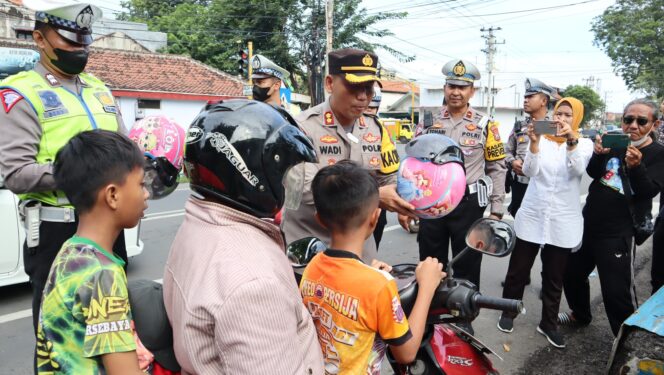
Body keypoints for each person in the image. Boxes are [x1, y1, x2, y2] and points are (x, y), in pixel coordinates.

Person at [163, 99, 324, 374]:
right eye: (283, 175)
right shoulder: (254, 284)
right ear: (252, 174)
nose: (286, 186)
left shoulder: (199, 223)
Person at [0, 2, 127, 335]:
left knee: (112, 330)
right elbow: (15, 173)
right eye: (70, 41)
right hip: (59, 231)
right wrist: (83, 172)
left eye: (84, 42)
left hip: (110, 226)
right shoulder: (21, 93)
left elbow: (124, 151)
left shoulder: (100, 89)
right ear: (40, 40)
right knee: (61, 337)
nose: (79, 50)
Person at [300, 161, 445, 373]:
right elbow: (406, 354)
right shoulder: (378, 285)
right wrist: (427, 288)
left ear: (319, 219)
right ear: (375, 218)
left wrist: (367, 271)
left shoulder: (312, 266)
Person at [281, 48, 413, 263]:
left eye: (368, 88)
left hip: (359, 254)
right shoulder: (301, 128)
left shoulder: (375, 129)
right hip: (311, 253)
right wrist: (374, 197)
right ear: (330, 83)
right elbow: (304, 190)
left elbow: (388, 177)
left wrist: (406, 202)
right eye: (354, 87)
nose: (363, 97)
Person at [37, 130, 148, 374]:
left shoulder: (70, 251)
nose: (146, 193)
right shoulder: (102, 275)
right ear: (112, 195)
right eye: (141, 184)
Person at [561, 99, 664, 335]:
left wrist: (637, 166)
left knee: (616, 292)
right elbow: (593, 174)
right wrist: (599, 154)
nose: (633, 126)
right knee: (571, 273)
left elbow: (649, 191)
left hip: (619, 232)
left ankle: (626, 343)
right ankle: (580, 314)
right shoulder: (615, 142)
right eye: (628, 119)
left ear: (654, 124)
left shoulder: (658, 154)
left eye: (641, 121)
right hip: (588, 224)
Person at [498, 97, 593, 349]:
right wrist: (534, 143)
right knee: (518, 270)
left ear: (577, 119)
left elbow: (577, 170)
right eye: (558, 113)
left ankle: (548, 323)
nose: (561, 118)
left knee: (554, 276)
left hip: (562, 219)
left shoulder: (584, 143)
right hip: (534, 213)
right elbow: (530, 171)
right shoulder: (544, 140)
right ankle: (509, 310)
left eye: (567, 115)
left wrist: (571, 139)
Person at [405, 59, 507, 293]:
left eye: (462, 87)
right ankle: (430, 313)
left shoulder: (485, 125)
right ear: (444, 89)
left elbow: (497, 167)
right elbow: (413, 163)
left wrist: (497, 209)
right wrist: (411, 203)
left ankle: (464, 317)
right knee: (431, 263)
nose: (456, 92)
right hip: (432, 205)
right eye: (451, 86)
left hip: (468, 205)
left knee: (467, 264)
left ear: (472, 91)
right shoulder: (428, 121)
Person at [505, 78, 557, 218]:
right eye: (525, 97)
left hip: (543, 187)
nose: (525, 100)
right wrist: (512, 162)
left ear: (544, 101)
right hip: (520, 186)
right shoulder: (519, 126)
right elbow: (507, 151)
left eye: (530, 97)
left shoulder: (555, 127)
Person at [364, 83, 389, 248]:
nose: (368, 111)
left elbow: (389, 174)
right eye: (367, 107)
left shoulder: (379, 129)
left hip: (374, 205)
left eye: (373, 108)